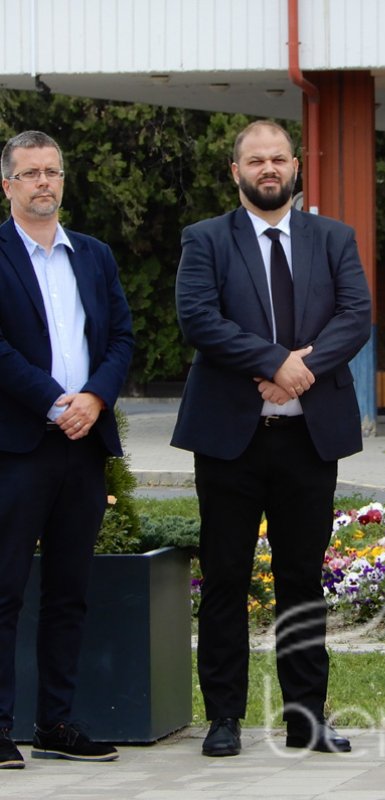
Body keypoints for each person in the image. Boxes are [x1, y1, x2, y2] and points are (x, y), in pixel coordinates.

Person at [171, 120, 371, 757]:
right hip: (230, 439)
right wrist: (273, 362)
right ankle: (224, 717)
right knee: (225, 578)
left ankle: (305, 719)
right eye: (255, 160)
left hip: (308, 438)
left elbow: (356, 316)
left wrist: (299, 372)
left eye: (278, 158)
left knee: (302, 579)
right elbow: (198, 318)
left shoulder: (333, 238)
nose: (268, 169)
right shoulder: (206, 239)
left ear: (295, 166)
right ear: (236, 171)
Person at [0, 131, 134, 768]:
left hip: (84, 445)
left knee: (69, 590)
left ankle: (55, 723)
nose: (43, 183)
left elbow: (121, 337)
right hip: (18, 446)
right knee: (4, 590)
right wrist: (56, 400)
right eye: (30, 173)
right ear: (7, 185)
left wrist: (96, 398)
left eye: (52, 171)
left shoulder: (94, 255)